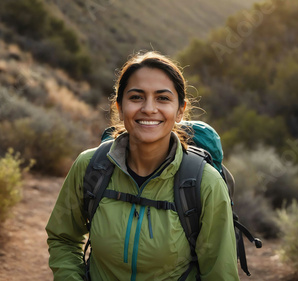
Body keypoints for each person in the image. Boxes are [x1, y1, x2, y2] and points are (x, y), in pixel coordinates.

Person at [46, 51, 239, 280]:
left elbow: (219, 274)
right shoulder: (90, 166)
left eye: (163, 98)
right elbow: (63, 238)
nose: (149, 108)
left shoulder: (205, 183)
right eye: (136, 97)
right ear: (119, 107)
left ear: (180, 110)